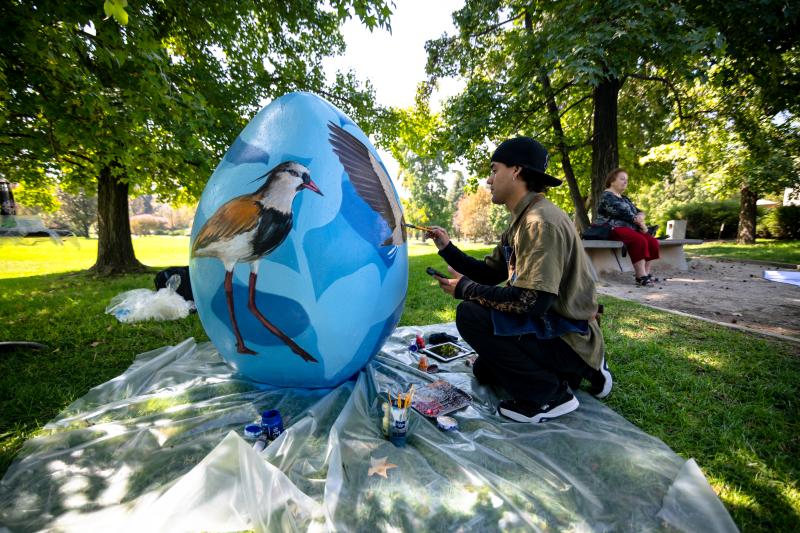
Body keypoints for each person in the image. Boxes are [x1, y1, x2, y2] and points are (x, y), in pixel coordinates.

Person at [426, 137, 611, 423]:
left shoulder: (540, 222)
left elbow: (532, 302)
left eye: (494, 169)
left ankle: (550, 396)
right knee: (484, 371)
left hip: (565, 334)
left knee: (471, 315)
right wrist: (446, 248)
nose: (489, 179)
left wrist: (466, 290)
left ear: (516, 171)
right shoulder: (523, 219)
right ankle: (573, 373)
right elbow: (491, 272)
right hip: (549, 328)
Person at [595, 168, 660, 286]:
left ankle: (646, 273)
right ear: (612, 181)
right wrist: (639, 221)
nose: (625, 182)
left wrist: (640, 216)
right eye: (622, 179)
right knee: (639, 240)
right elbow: (627, 213)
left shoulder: (624, 198)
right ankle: (641, 276)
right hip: (612, 228)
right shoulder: (607, 196)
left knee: (652, 241)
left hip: (629, 228)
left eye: (627, 180)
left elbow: (639, 212)